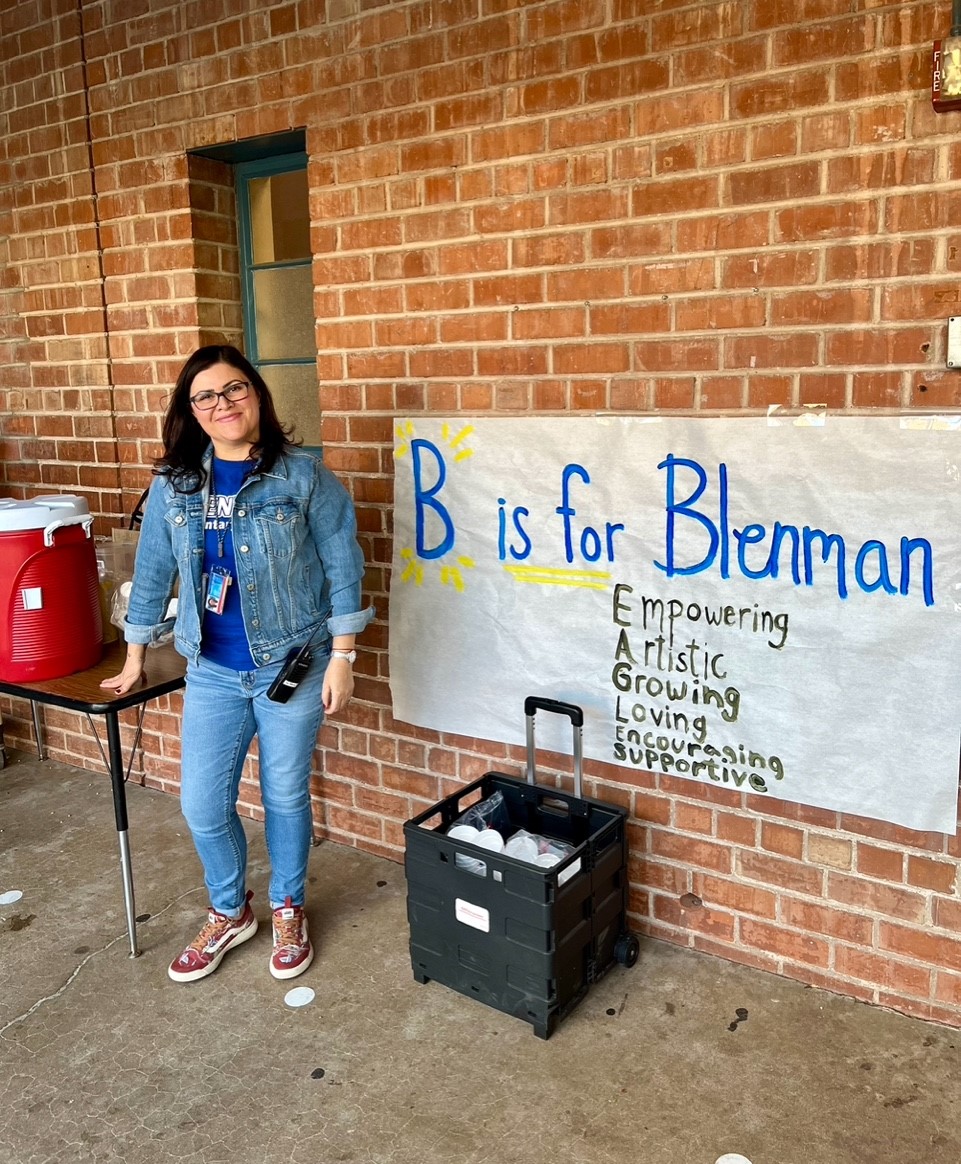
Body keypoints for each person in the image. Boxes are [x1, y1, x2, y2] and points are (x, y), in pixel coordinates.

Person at [102, 344, 373, 984]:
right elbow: (152, 573)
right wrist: (137, 653)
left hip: (294, 664)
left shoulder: (305, 478)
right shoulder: (175, 485)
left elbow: (344, 569)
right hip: (214, 673)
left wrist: (343, 657)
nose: (222, 404)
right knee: (202, 803)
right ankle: (230, 909)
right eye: (206, 397)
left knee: (283, 794)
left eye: (234, 390)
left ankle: (287, 905)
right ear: (191, 411)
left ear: (257, 395)